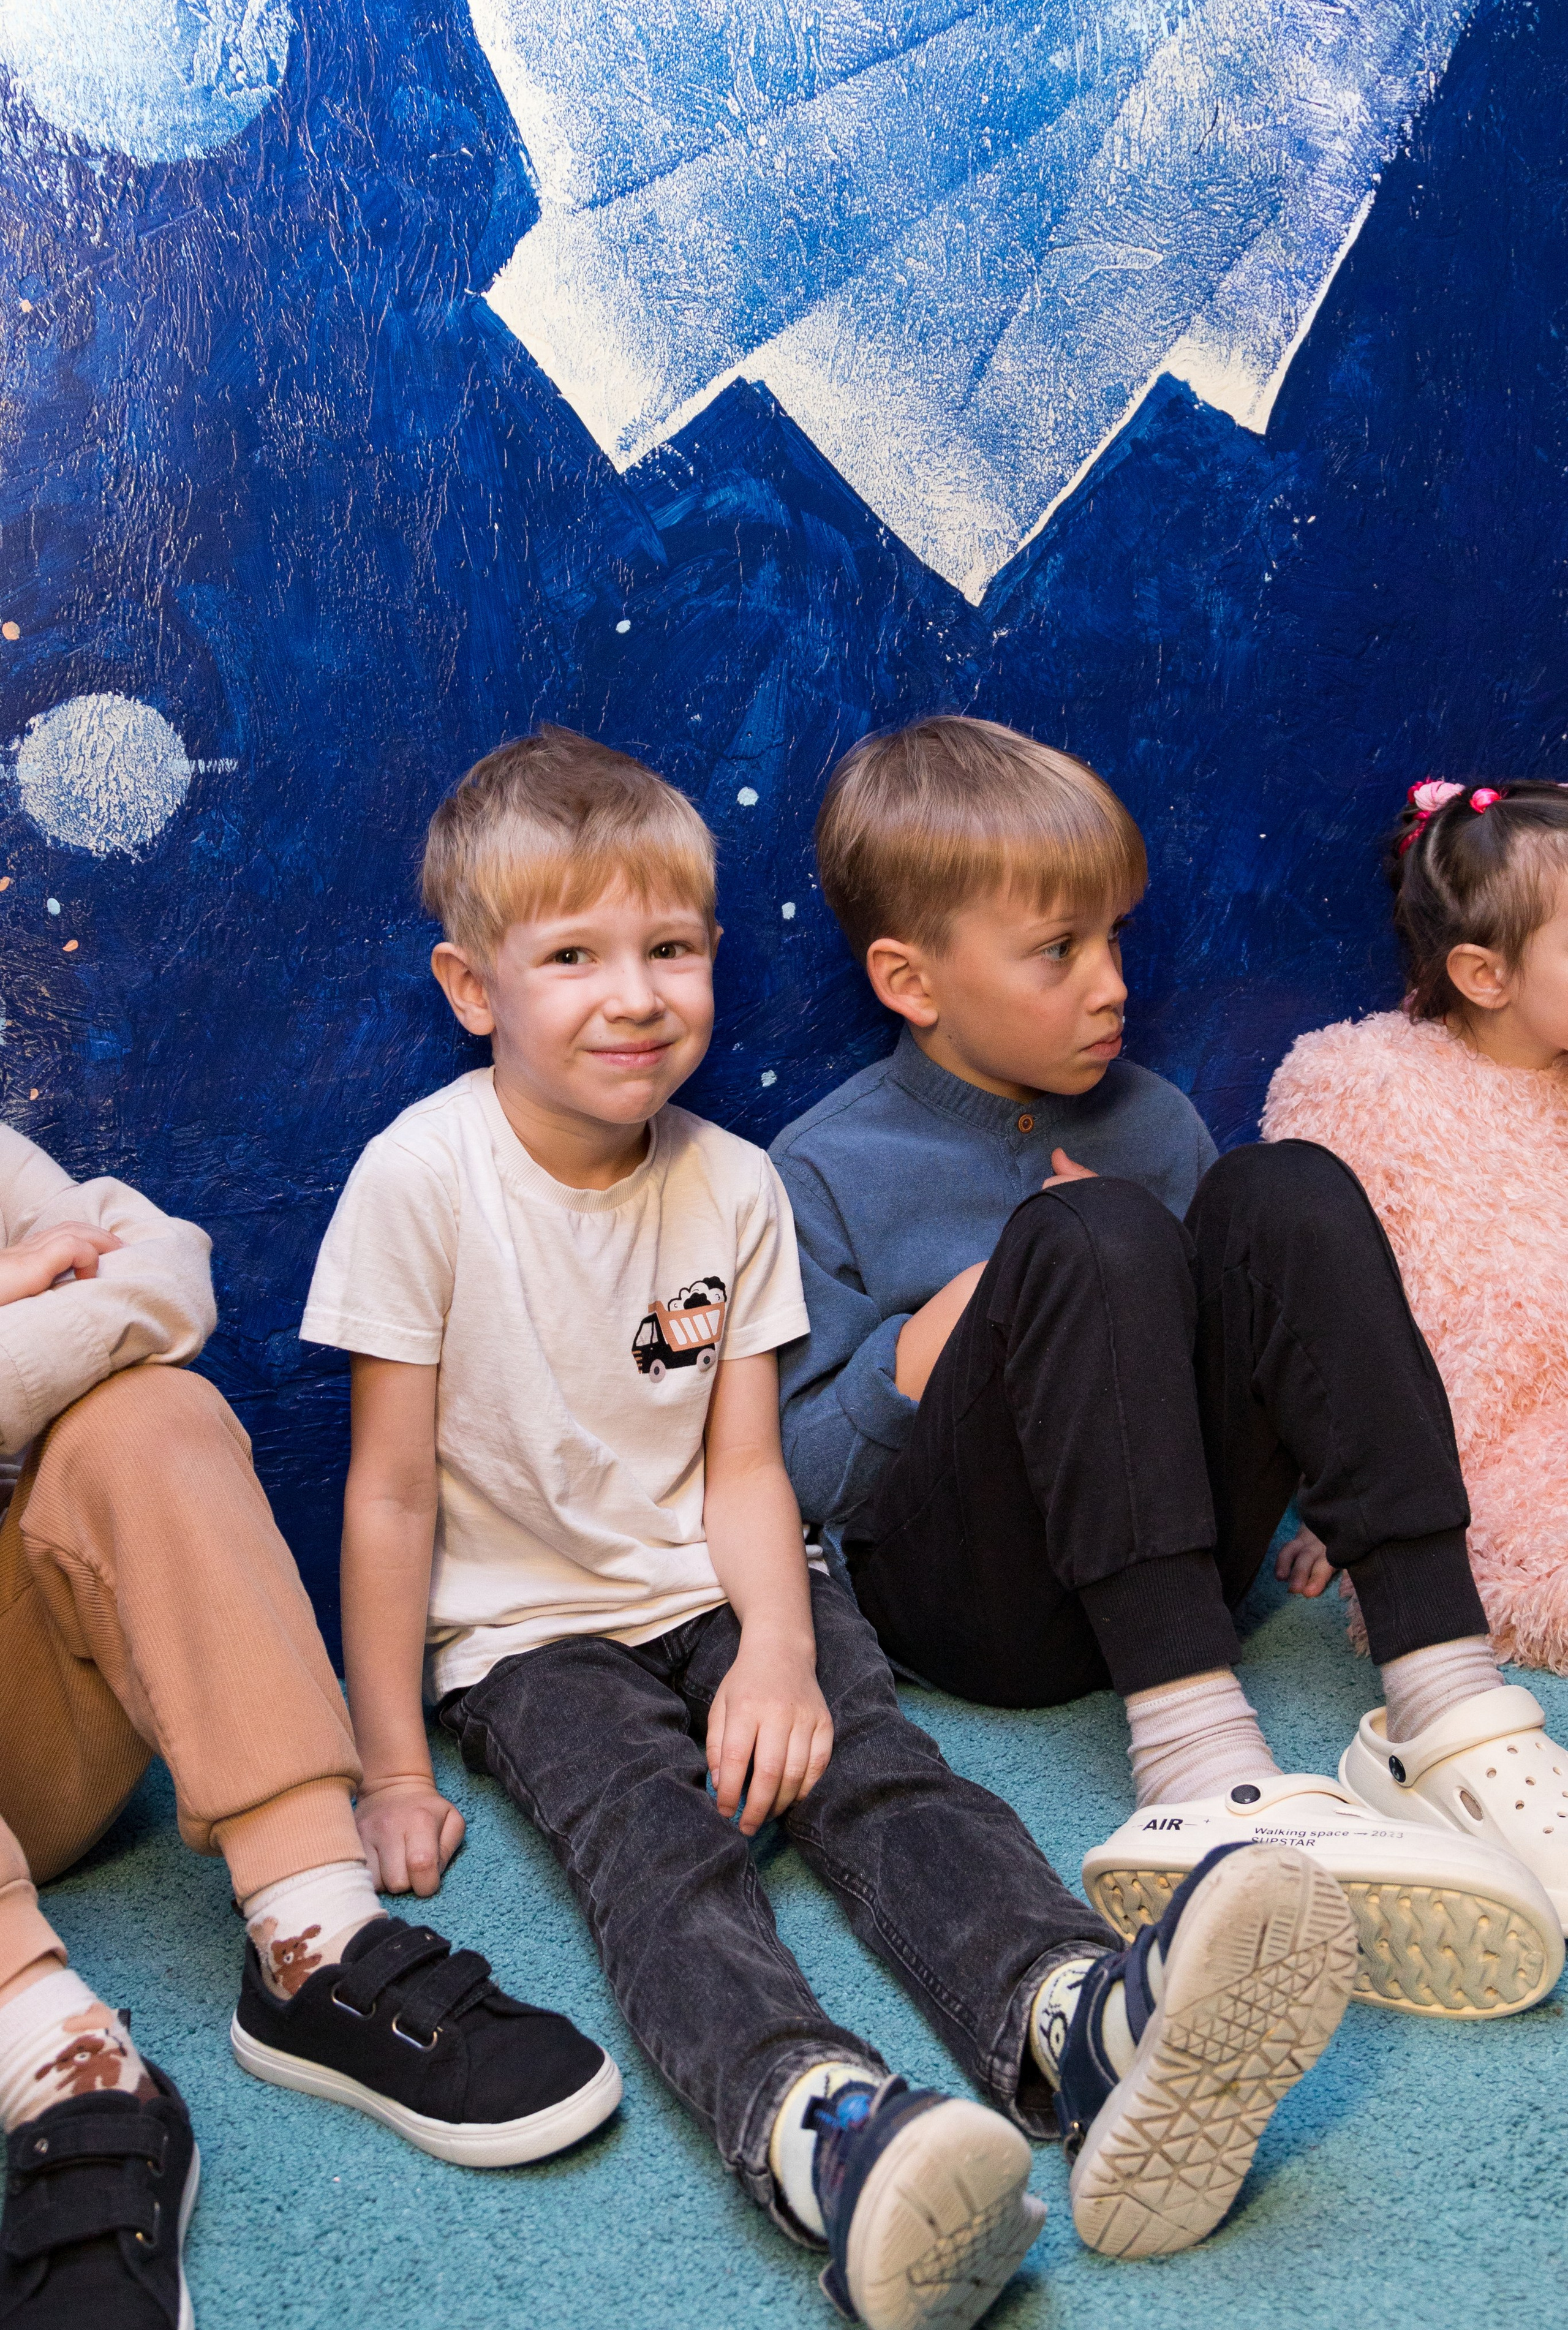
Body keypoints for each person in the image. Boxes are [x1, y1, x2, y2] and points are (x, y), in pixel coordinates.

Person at [301, 725, 1364, 2330]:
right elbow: (383, 1493)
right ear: (474, 990)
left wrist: (786, 1655)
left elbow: (749, 1475)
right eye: (574, 955)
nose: (636, 993)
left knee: (883, 1778)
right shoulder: (418, 1181)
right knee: (660, 1850)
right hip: (532, 1631)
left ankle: (1079, 2017)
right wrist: (388, 1767)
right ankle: (826, 2128)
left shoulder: (736, 1186)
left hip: (740, 1578)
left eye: (670, 948)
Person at [770, 716, 1567, 1991]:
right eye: (1056, 953)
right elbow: (805, 1483)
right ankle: (1196, 1766)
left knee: (1289, 1184)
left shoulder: (1151, 1115)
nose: (1109, 984)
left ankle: (1447, 1706)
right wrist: (967, 1310)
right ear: (910, 982)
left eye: (1112, 939)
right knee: (1086, 1232)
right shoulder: (819, 1168)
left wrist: (1321, 1496)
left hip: (1187, 1562)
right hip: (987, 1615)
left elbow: (1230, 1363)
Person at [0, 1129, 619, 2330]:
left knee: (151, 1413)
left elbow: (162, 1271)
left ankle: (313, 1941)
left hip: (41, 1740)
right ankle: (59, 2067)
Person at [1263, 776, 1568, 1831]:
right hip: (1463, 1470)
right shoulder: (1365, 1088)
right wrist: (1328, 1500)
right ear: (1484, 974)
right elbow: (1311, 1316)